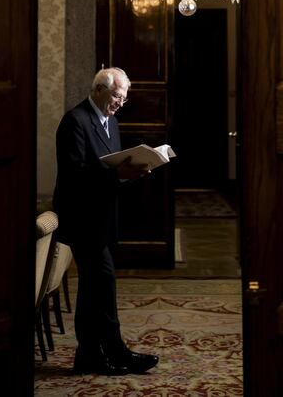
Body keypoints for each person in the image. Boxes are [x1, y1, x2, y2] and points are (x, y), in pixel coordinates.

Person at [53, 66, 159, 376]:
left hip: (101, 218)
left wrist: (134, 171)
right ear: (99, 89)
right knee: (103, 281)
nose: (119, 104)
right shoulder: (75, 121)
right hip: (81, 217)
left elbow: (112, 170)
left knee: (92, 287)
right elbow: (74, 175)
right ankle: (115, 350)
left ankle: (89, 356)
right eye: (116, 96)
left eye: (123, 99)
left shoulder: (110, 121)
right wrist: (118, 174)